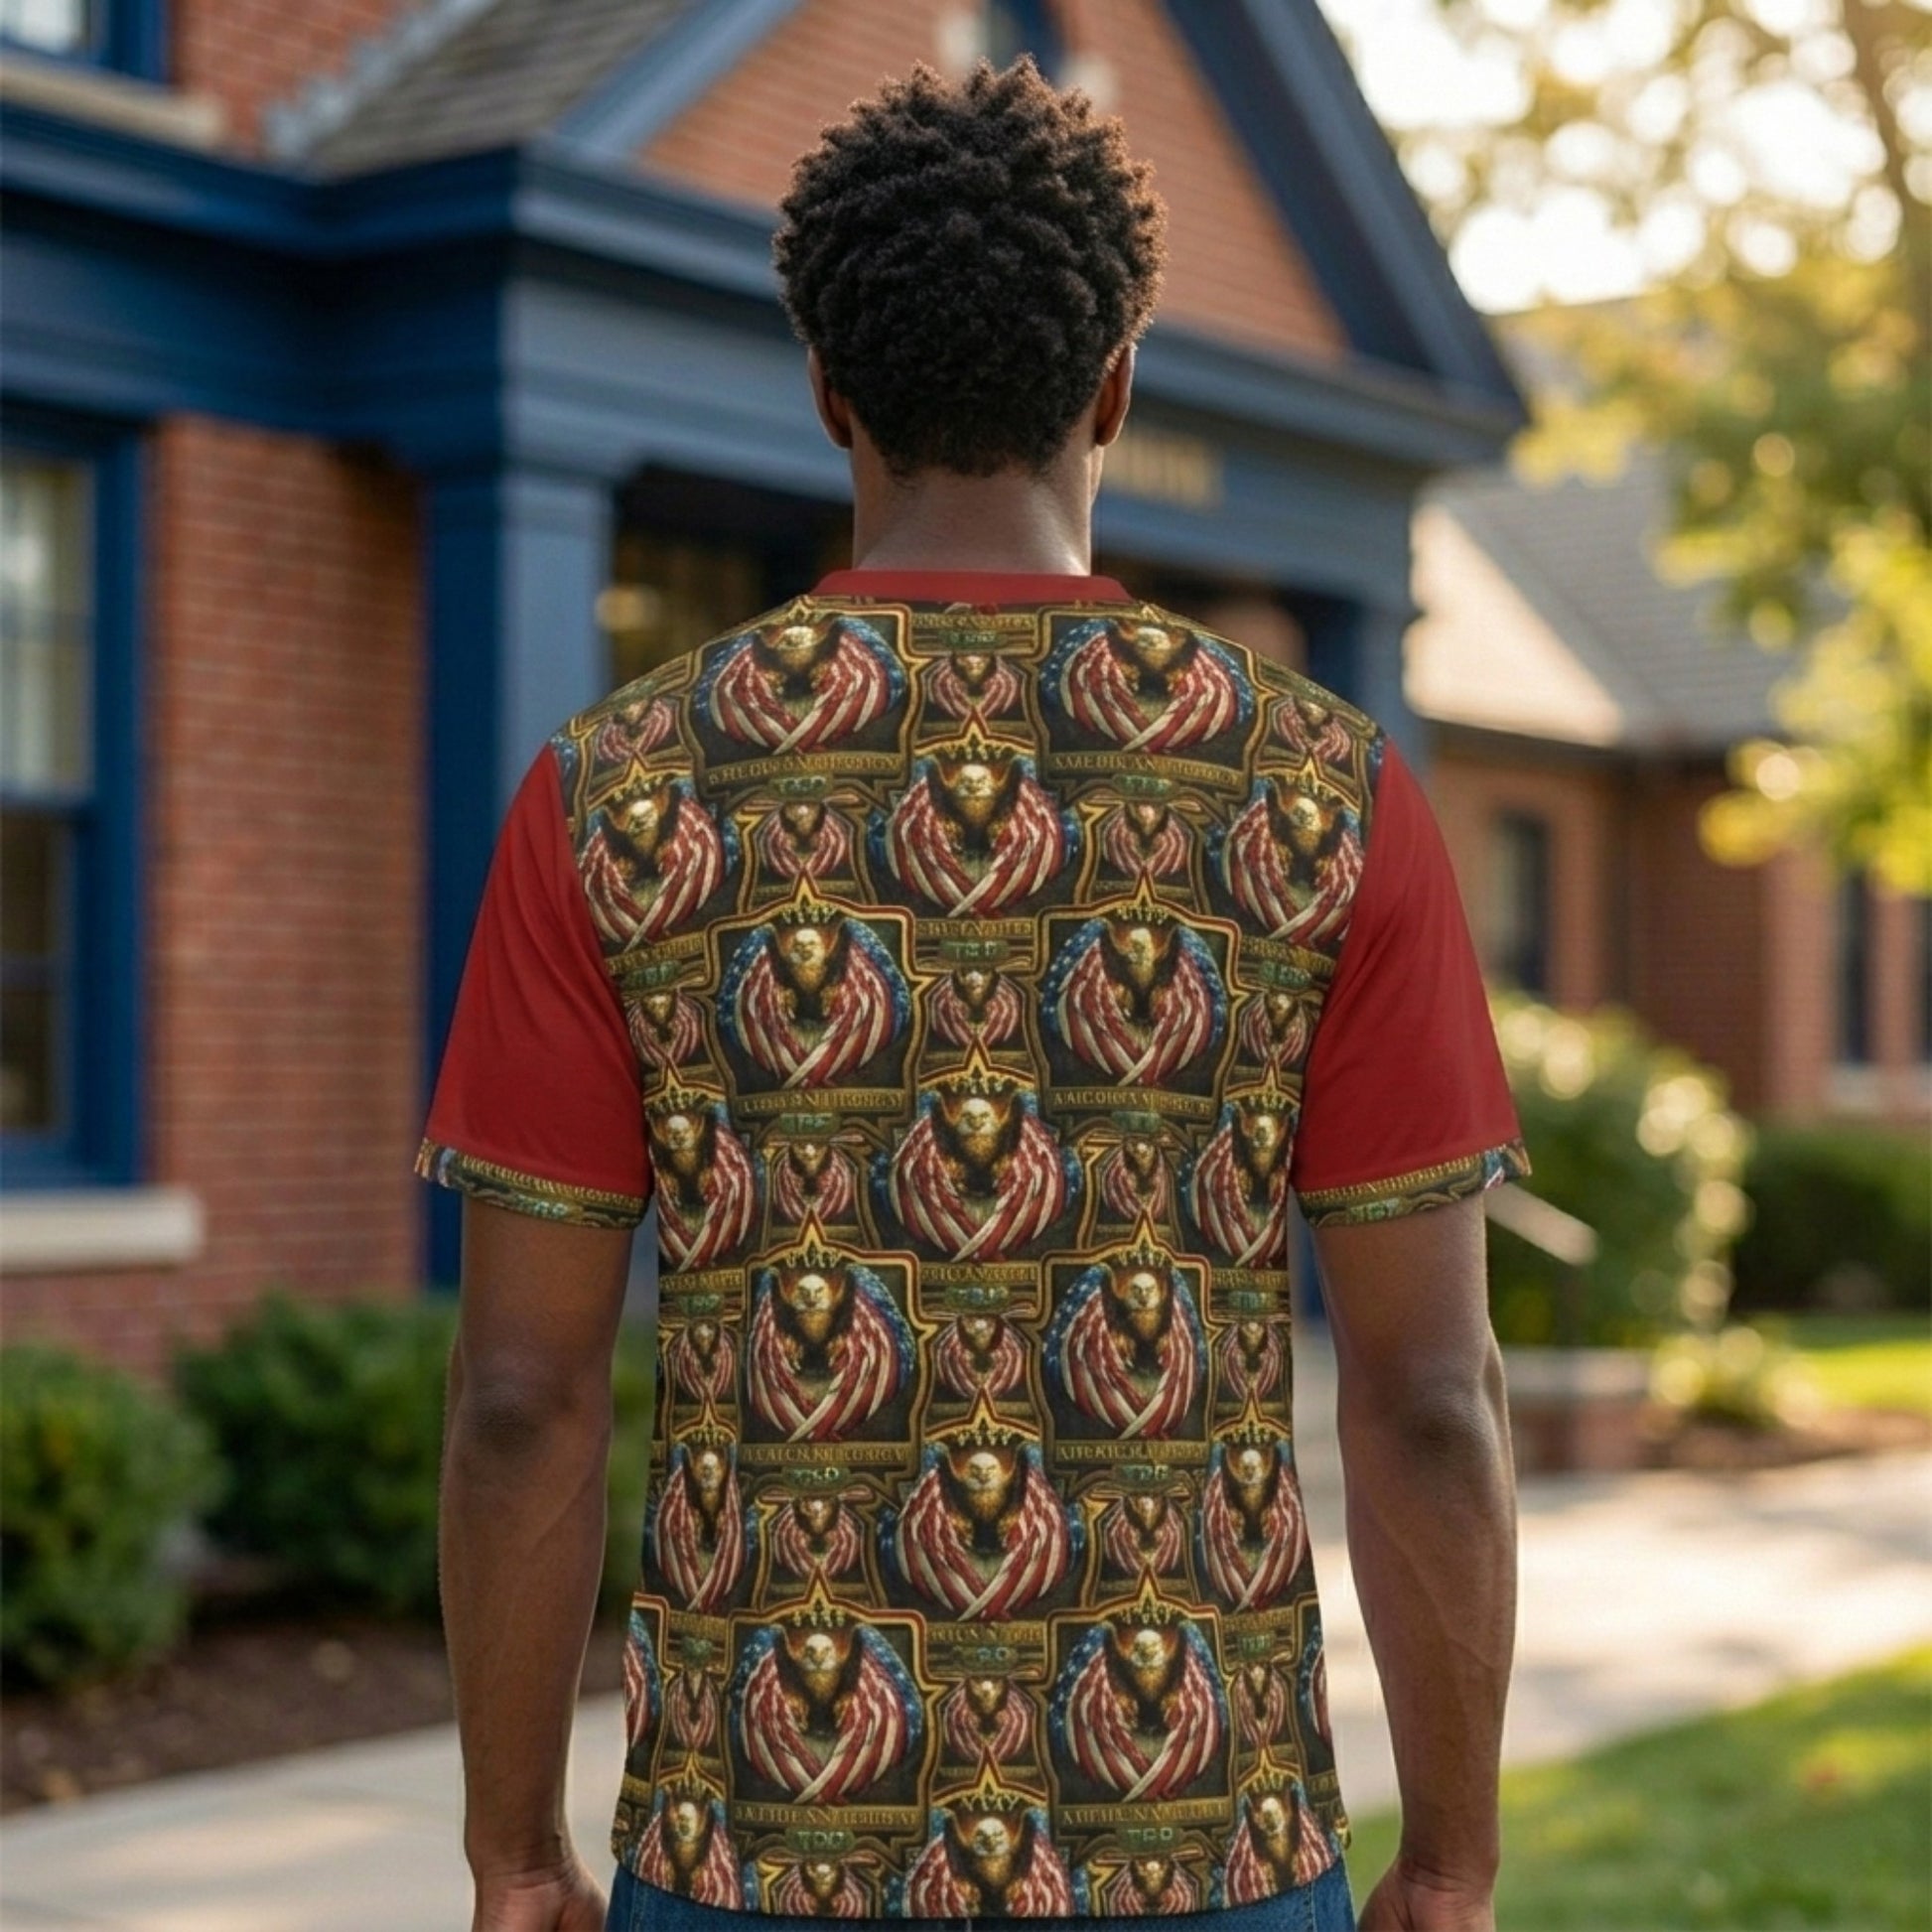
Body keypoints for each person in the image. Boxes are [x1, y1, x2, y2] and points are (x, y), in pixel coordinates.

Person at [416, 53, 1528, 1932]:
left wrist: (515, 1854)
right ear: (1115, 384)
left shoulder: (618, 792)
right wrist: (1449, 1862)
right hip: (1207, 1852)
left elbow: (521, 1394)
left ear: (828, 390)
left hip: (754, 1855)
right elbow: (1428, 1396)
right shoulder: (1318, 793)